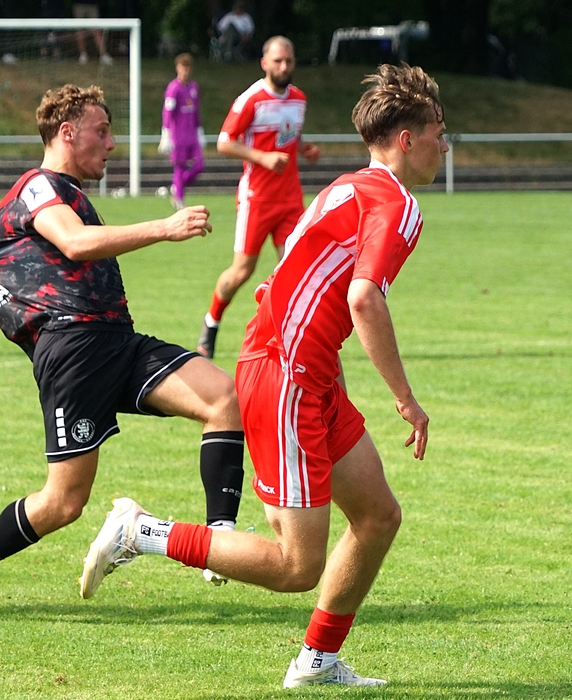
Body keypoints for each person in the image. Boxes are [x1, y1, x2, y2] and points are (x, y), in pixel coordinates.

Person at [80, 63, 447, 687]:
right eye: (440, 131)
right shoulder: (397, 203)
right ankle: (142, 532)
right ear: (407, 140)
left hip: (303, 373)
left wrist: (318, 369)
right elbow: (363, 298)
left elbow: (298, 282)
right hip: (288, 378)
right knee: (296, 566)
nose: (446, 144)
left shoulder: (346, 187)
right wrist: (405, 399)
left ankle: (317, 662)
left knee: (378, 516)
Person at [0, 84, 247, 621]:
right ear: (67, 132)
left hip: (116, 340)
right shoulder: (39, 187)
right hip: (72, 351)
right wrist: (164, 227)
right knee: (64, 503)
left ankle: (222, 541)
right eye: (102, 131)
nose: (112, 144)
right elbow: (74, 242)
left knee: (224, 396)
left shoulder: (67, 190)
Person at [196, 36, 320, 359]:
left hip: (290, 200)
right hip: (257, 199)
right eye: (278, 61)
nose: (284, 66)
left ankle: (287, 337)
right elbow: (224, 142)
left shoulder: (299, 99)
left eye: (289, 61)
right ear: (264, 63)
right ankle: (211, 324)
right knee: (242, 271)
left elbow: (290, 134)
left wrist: (304, 148)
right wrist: (262, 158)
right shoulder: (251, 99)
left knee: (296, 268)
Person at [159, 53, 206, 210]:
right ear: (177, 68)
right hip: (177, 136)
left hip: (192, 135)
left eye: (187, 68)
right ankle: (179, 199)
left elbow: (196, 110)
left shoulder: (193, 87)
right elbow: (168, 112)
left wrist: (199, 129)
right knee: (179, 167)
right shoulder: (173, 89)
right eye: (182, 67)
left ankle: (177, 186)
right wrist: (166, 133)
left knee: (199, 165)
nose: (185, 71)